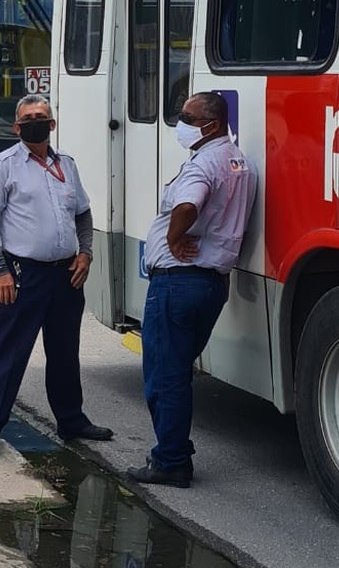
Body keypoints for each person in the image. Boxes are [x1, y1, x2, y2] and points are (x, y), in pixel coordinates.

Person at [0, 93, 112, 457]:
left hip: (66, 276)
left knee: (64, 351)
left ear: (52, 124)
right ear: (17, 127)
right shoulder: (5, 165)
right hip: (22, 275)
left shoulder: (67, 165)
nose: (36, 121)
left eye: (42, 116)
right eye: (28, 117)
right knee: (7, 353)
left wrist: (86, 251)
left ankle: (72, 421)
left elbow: (83, 212)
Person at [127, 92, 256, 488]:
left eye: (187, 116)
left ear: (212, 124)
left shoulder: (204, 164)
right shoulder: (240, 162)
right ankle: (174, 452)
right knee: (178, 370)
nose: (180, 122)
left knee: (166, 374)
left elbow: (187, 205)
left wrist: (173, 234)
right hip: (211, 283)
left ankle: (170, 461)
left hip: (178, 282)